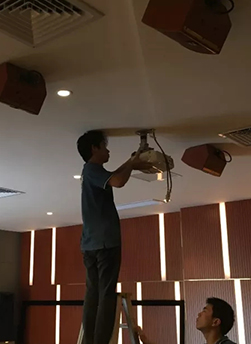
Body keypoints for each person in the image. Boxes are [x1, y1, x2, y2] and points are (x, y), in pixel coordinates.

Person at [77, 130, 152, 344]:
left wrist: (131, 162)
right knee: (106, 294)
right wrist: (131, 164)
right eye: (105, 146)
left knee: (93, 293)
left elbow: (113, 177)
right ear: (94, 148)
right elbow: (118, 181)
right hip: (105, 242)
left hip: (91, 244)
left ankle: (89, 341)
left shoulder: (91, 172)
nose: (108, 151)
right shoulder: (91, 169)